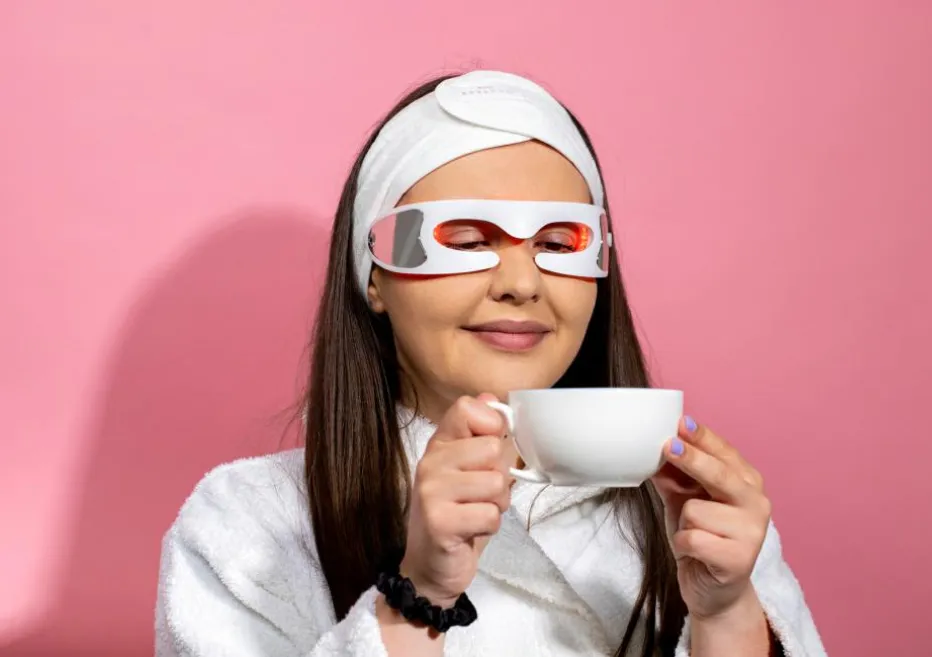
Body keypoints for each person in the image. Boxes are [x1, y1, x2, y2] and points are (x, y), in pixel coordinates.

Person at [154, 70, 827, 657]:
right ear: (374, 275)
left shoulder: (701, 523)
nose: (522, 283)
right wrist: (418, 594)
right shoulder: (247, 525)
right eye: (468, 239)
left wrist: (727, 616)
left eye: (559, 242)